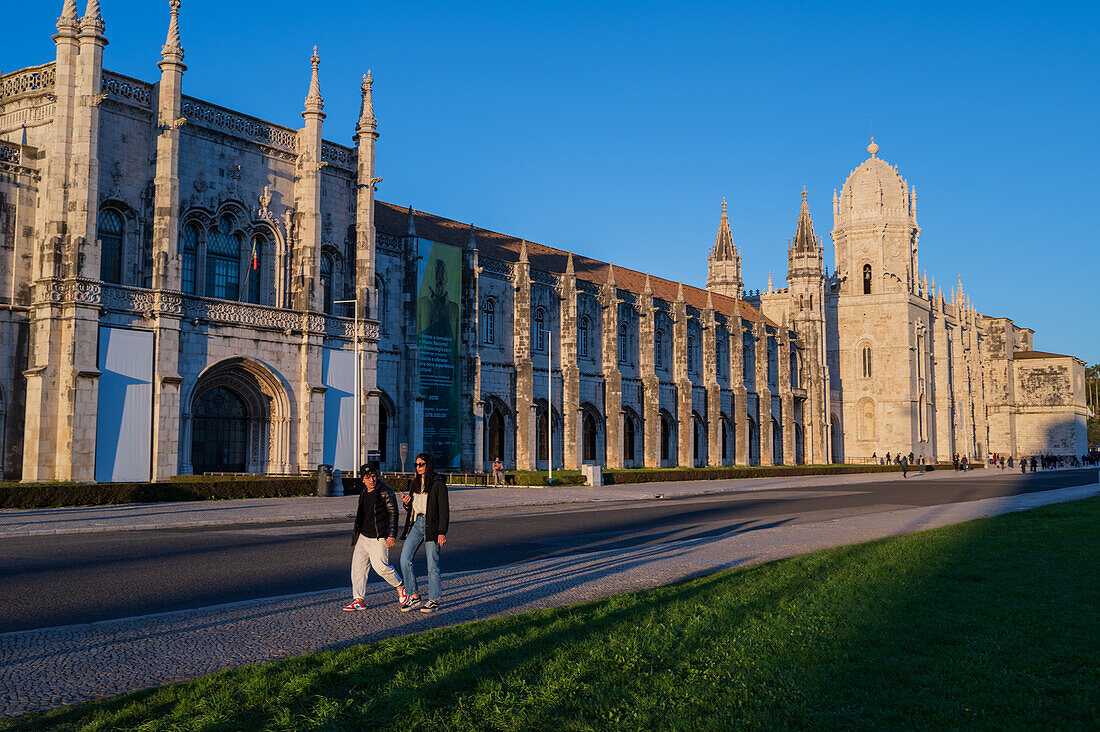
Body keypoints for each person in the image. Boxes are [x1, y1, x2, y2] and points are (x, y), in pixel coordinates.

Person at [343, 463, 409, 612]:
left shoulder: (386, 491)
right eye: (368, 477)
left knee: (380, 567)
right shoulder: (364, 492)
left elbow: (393, 513)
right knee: (358, 569)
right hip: (363, 537)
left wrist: (392, 535)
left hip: (379, 537)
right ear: (363, 480)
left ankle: (400, 586)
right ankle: (359, 600)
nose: (372, 479)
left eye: (373, 476)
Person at [399, 452, 450, 613]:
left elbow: (444, 509)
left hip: (432, 526)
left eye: (421, 464)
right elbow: (413, 508)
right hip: (416, 524)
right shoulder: (414, 483)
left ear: (428, 465)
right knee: (404, 559)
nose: (418, 467)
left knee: (432, 565)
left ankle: (433, 599)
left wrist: (442, 531)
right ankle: (413, 596)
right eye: (416, 465)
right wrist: (407, 504)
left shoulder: (437, 483)